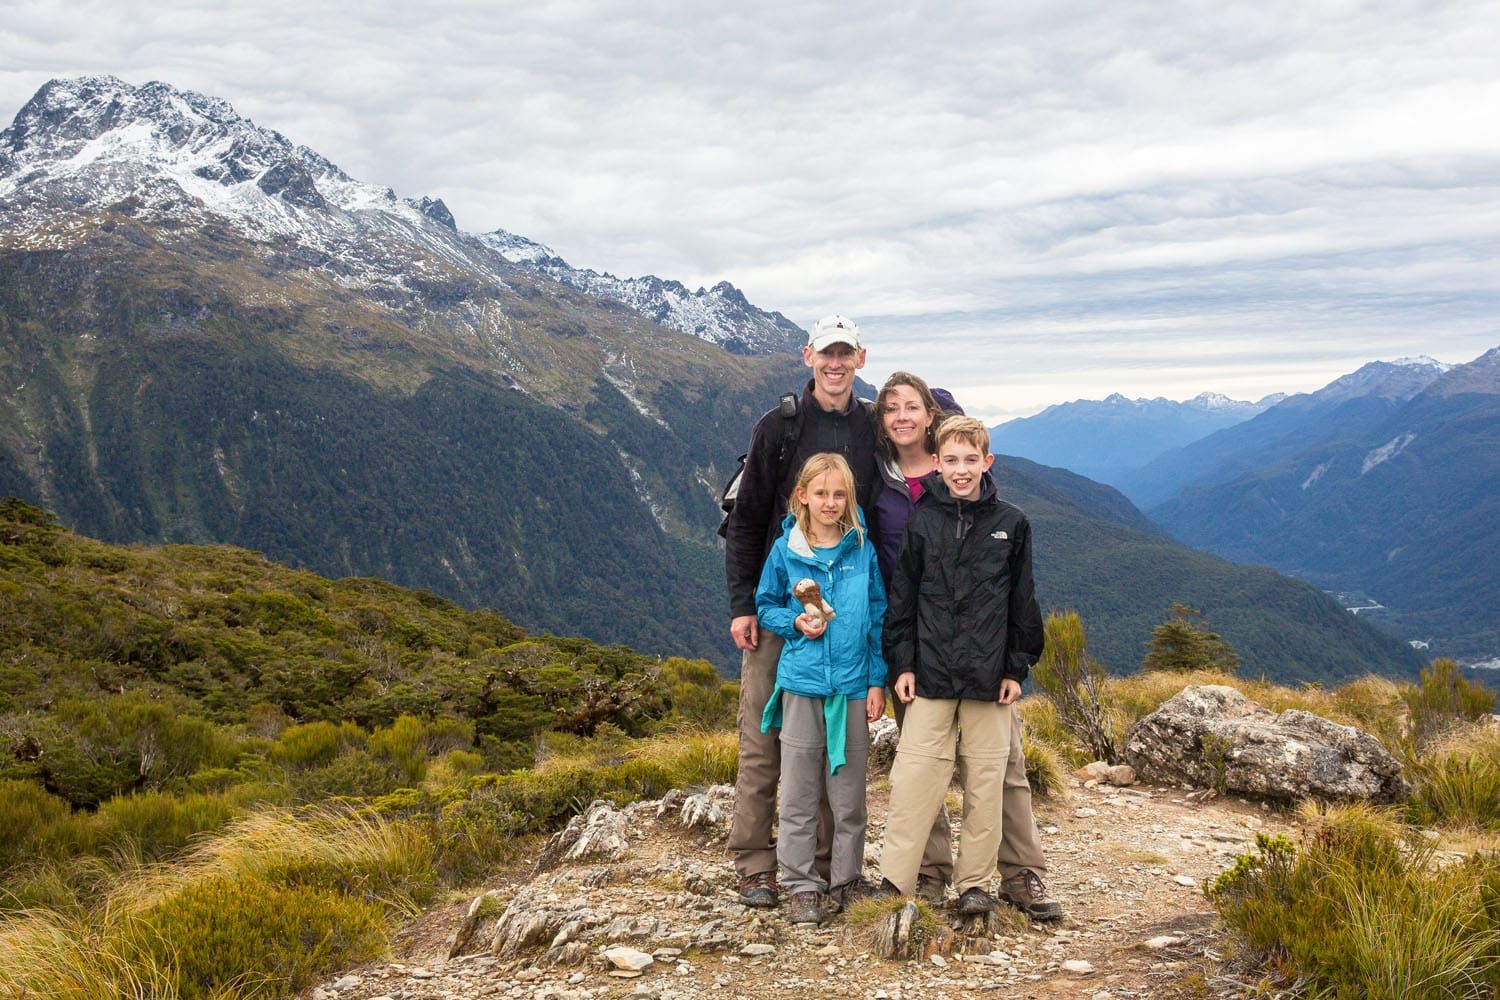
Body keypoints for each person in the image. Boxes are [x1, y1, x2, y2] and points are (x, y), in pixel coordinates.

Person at [871, 372, 1064, 919]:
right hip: (928, 671)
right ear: (940, 462)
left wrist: (1016, 666)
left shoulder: (1012, 524)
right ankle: (897, 879)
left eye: (969, 460)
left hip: (987, 676)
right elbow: (902, 599)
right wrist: (901, 662)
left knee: (987, 781)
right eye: (950, 461)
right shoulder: (923, 521)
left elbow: (1022, 603)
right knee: (914, 776)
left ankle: (977, 884)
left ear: (987, 462)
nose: (959, 470)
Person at [724, 314, 881, 908]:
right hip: (780, 605)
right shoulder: (781, 425)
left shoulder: (873, 428)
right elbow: (746, 520)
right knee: (766, 738)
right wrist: (745, 605)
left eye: (846, 354)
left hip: (846, 610)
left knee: (823, 742)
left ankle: (817, 869)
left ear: (860, 359)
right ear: (808, 355)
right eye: (827, 353)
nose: (836, 364)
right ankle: (756, 862)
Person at [754, 453, 888, 923]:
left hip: (851, 687)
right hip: (803, 686)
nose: (830, 503)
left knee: (849, 796)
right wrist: (793, 622)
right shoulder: (785, 551)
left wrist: (876, 681)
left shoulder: (861, 549)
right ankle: (800, 885)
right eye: (821, 493)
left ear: (848, 498)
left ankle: (847, 880)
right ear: (802, 496)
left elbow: (876, 618)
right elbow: (765, 604)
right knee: (799, 794)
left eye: (839, 494)